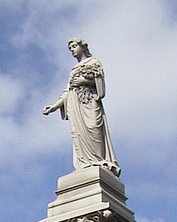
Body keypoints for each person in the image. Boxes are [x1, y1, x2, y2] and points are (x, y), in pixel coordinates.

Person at [43, 38, 120, 176]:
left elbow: (101, 88)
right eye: (70, 48)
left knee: (94, 127)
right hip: (75, 105)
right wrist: (54, 107)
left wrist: (85, 81)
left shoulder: (94, 62)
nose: (72, 50)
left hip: (89, 101)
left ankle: (99, 160)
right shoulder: (73, 70)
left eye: (74, 46)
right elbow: (68, 90)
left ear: (82, 47)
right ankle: (85, 163)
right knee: (80, 134)